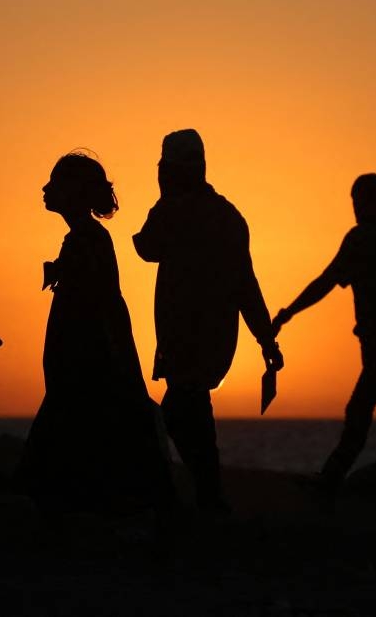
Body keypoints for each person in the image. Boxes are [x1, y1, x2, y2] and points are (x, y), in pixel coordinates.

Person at [133, 130, 282, 513]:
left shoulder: (174, 211)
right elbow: (247, 286)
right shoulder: (229, 217)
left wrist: (164, 198)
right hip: (215, 340)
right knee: (189, 414)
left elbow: (145, 247)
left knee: (180, 416)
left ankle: (207, 500)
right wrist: (266, 340)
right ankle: (206, 498)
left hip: (184, 338)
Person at [19, 152, 174, 516]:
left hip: (86, 357)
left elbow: (99, 303)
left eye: (55, 182)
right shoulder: (83, 238)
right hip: (83, 355)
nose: (45, 188)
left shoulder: (88, 239)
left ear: (74, 191)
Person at [273, 173, 376, 490]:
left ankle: (332, 478)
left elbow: (326, 282)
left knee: (367, 410)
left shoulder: (361, 238)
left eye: (357, 200)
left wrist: (287, 313)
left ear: (370, 200)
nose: (354, 207)